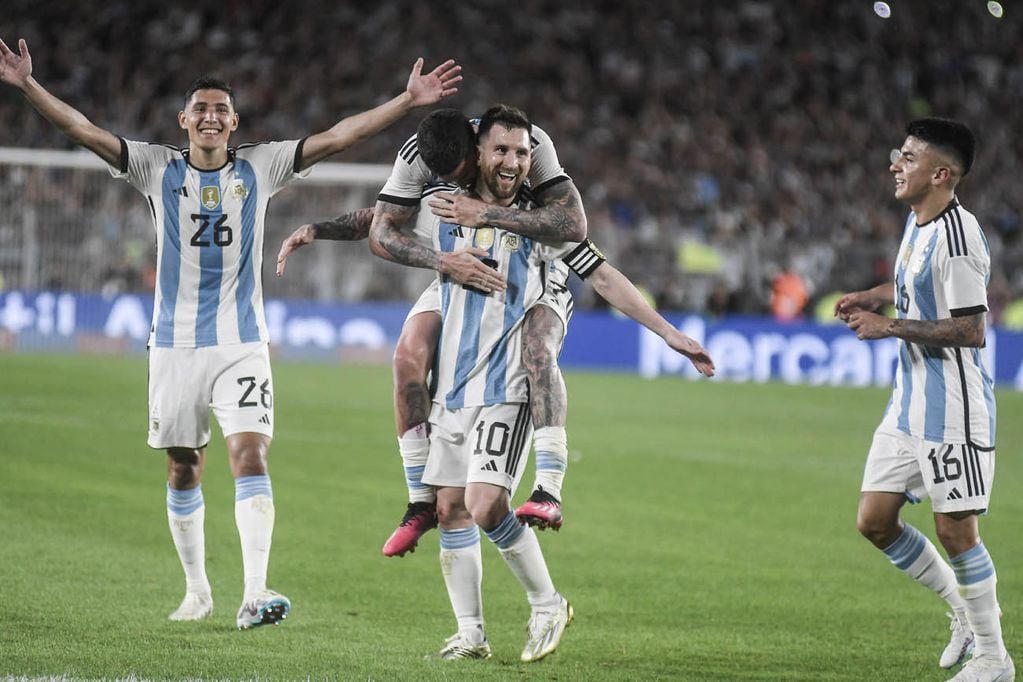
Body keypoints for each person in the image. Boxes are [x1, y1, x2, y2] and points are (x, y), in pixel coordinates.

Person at [0, 35, 462, 629]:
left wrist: (406, 101)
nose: (211, 116)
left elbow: (339, 135)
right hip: (173, 344)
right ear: (184, 120)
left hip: (243, 344)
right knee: (183, 465)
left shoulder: (261, 167)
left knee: (249, 455)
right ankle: (197, 591)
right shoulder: (154, 166)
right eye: (201, 108)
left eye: (221, 108)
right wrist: (29, 86)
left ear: (234, 121)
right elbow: (84, 130)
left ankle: (255, 591)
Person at [276, 108, 715, 559]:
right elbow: (386, 220)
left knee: (537, 347)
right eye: (497, 154)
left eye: (514, 154)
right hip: (456, 277)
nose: (502, 164)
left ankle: (548, 489)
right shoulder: (442, 192)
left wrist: (667, 332)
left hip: (535, 286)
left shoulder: (538, 204)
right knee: (408, 356)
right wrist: (319, 228)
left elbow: (596, 268)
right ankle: (419, 503)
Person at [836, 118, 1014, 681]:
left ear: (941, 174)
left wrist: (888, 327)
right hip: (907, 402)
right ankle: (962, 610)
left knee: (956, 531)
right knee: (874, 520)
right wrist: (874, 293)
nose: (895, 163)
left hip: (953, 409)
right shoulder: (919, 221)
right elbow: (917, 282)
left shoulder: (960, 237)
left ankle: (994, 657)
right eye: (899, 153)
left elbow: (971, 330)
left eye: (908, 158)